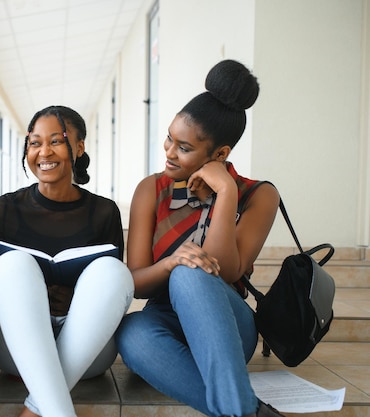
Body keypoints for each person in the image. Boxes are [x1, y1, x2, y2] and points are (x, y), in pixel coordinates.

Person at [115, 60, 285, 417]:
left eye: (184, 147)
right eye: (169, 138)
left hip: (227, 321)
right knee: (132, 331)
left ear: (220, 154)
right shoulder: (151, 190)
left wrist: (225, 191)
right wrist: (171, 262)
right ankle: (246, 410)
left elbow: (226, 270)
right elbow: (135, 283)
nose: (169, 152)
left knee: (192, 272)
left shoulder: (259, 195)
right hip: (164, 319)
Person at [0, 105, 134, 417]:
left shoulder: (105, 212)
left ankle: (38, 408)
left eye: (56, 141)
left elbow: (111, 295)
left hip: (89, 350)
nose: (44, 152)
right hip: (16, 349)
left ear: (78, 147)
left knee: (113, 272)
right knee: (13, 266)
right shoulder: (3, 210)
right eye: (35, 143)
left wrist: (75, 298)